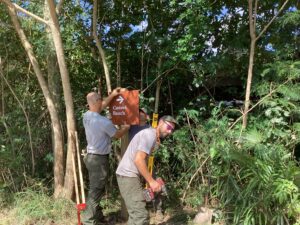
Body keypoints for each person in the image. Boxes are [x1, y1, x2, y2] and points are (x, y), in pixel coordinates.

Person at [116, 115, 177, 225]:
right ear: (160, 122)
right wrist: (151, 181)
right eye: (168, 127)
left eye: (172, 129)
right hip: (128, 176)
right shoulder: (150, 134)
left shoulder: (152, 136)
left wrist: (150, 179)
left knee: (135, 216)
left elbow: (143, 160)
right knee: (140, 216)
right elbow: (139, 160)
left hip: (130, 176)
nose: (170, 132)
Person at [82, 88, 130, 225]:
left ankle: (97, 216)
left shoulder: (87, 115)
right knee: (96, 189)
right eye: (100, 99)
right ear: (96, 101)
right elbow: (117, 135)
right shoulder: (103, 121)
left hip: (90, 157)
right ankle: (88, 221)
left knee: (96, 188)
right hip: (98, 159)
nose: (102, 102)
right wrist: (126, 127)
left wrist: (113, 95)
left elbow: (101, 106)